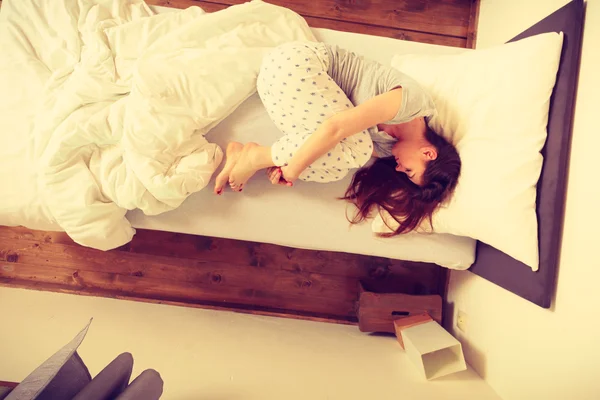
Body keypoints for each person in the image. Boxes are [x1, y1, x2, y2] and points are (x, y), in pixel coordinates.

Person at [213, 41, 461, 236]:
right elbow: (334, 128)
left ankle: (247, 153)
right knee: (357, 149)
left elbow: (327, 150)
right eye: (409, 170)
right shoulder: (412, 104)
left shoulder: (386, 149)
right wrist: (292, 171)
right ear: (428, 154)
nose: (398, 168)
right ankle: (257, 156)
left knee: (336, 170)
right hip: (294, 65)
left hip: (278, 91)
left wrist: (290, 166)